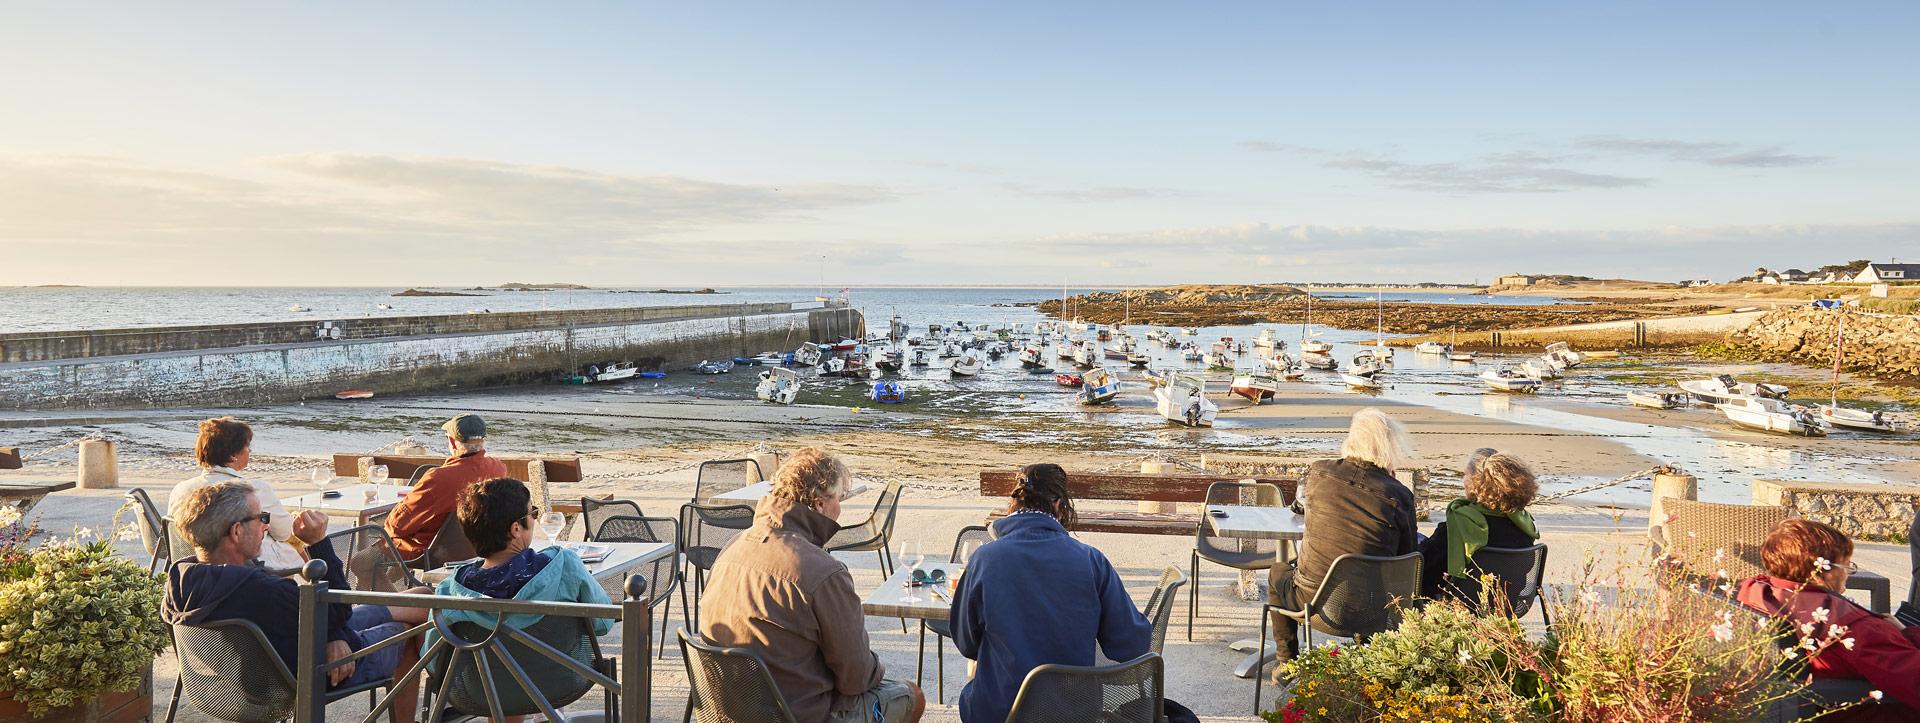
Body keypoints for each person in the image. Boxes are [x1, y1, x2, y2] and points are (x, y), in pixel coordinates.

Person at [163, 481, 429, 720]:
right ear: (236, 532)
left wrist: (334, 634)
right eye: (261, 518)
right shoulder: (265, 592)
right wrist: (318, 542)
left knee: (420, 598)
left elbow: (328, 617)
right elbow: (338, 610)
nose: (266, 526)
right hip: (303, 676)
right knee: (409, 631)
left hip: (238, 681)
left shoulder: (181, 579)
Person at [699, 447, 925, 723]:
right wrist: (874, 666)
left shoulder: (731, 549)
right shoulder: (823, 572)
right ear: (820, 504)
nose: (840, 509)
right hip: (795, 715)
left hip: (727, 710)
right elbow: (856, 678)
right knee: (911, 696)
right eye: (840, 498)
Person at [950, 463, 1155, 723]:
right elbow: (1131, 645)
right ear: (1058, 503)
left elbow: (966, 643)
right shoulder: (1091, 560)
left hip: (1002, 711)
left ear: (1014, 503)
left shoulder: (985, 559)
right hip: (1075, 713)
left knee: (976, 676)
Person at [429, 477, 611, 722]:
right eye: (532, 513)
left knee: (500, 674)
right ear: (516, 529)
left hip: (482, 692)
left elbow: (434, 656)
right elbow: (602, 622)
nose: (534, 519)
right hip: (559, 682)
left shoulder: (451, 589)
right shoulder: (563, 565)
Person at [1267, 407, 1418, 676]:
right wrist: (1389, 483)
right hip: (1373, 609)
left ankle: (1287, 662)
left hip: (1313, 602)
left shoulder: (1319, 474)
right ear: (1389, 445)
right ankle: (1371, 663)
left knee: (1279, 571)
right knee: (1373, 572)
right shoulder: (1399, 495)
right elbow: (1406, 556)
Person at [1737, 519, 1920, 722]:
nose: (1849, 573)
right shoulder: (1851, 626)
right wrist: (1907, 632)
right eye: (1846, 565)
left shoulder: (1756, 593)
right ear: (1820, 572)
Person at [168, 417, 304, 570]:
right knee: (300, 544)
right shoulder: (252, 490)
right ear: (233, 455)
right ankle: (325, 587)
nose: (250, 451)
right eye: (247, 446)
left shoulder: (180, 489)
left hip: (194, 566)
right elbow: (284, 532)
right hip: (250, 567)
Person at [1419, 450, 1540, 604]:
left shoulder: (1459, 524)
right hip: (1506, 604)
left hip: (1457, 607)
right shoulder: (1524, 525)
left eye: (1465, 474)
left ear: (1475, 481)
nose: (1463, 479)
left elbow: (1428, 568)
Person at [383, 414, 507, 560]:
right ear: (483, 440)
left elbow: (396, 526)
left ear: (452, 442)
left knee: (360, 562)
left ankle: (408, 583)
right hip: (479, 548)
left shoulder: (438, 478)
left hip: (435, 553)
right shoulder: (498, 468)